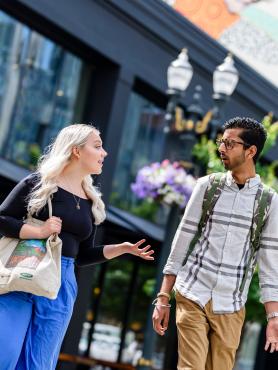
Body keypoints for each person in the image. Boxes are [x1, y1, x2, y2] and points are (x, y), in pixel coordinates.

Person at [0, 123, 154, 370]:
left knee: (39, 363)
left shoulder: (91, 200)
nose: (105, 153)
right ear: (76, 151)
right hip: (24, 268)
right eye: (98, 146)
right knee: (4, 350)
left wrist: (120, 248)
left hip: (62, 281)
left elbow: (82, 255)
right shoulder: (39, 184)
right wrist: (38, 231)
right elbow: (3, 219)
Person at [152, 117, 278, 370]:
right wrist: (164, 296)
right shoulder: (208, 186)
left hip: (231, 303)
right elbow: (182, 241)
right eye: (222, 141)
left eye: (230, 143)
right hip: (193, 292)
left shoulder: (269, 202)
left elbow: (268, 263)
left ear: (251, 151)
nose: (221, 148)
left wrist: (273, 316)